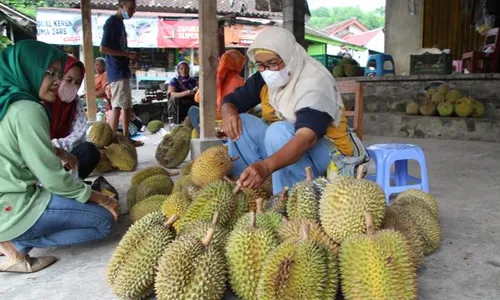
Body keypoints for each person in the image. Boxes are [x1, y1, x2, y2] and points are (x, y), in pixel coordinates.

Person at [0, 40, 119, 273]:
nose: (57, 80)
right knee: (104, 221)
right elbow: (53, 179)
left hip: (6, 200)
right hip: (16, 204)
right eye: (50, 73)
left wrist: (57, 151)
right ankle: (17, 240)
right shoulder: (28, 109)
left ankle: (14, 247)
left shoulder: (7, 102)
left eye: (58, 73)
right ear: (28, 68)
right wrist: (101, 198)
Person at [221, 27, 367, 195]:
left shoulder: (316, 81)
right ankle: (246, 191)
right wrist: (228, 112)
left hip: (329, 154)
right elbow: (232, 101)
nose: (267, 70)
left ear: (289, 57)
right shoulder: (265, 77)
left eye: (273, 63)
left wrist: (266, 166)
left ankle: (290, 199)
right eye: (260, 65)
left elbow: (307, 138)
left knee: (278, 131)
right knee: (242, 123)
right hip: (285, 146)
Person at [46, 56, 101, 180]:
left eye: (77, 82)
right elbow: (34, 144)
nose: (72, 86)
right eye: (68, 80)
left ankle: (70, 184)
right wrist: (51, 149)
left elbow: (78, 134)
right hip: (39, 154)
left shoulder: (75, 102)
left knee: (89, 151)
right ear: (58, 78)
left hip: (63, 151)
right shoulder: (42, 101)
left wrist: (60, 150)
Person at [99, 0, 143, 146]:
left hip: (122, 70)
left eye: (134, 9)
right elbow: (103, 48)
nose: (133, 12)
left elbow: (119, 49)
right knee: (118, 106)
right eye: (131, 8)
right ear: (121, 6)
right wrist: (126, 54)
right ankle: (114, 140)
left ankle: (125, 138)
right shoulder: (111, 23)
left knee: (127, 106)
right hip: (116, 70)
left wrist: (129, 56)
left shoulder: (120, 23)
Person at [188, 50, 246, 134]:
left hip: (211, 120)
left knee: (192, 110)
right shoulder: (239, 80)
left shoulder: (212, 78)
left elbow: (197, 98)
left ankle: (207, 131)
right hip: (229, 121)